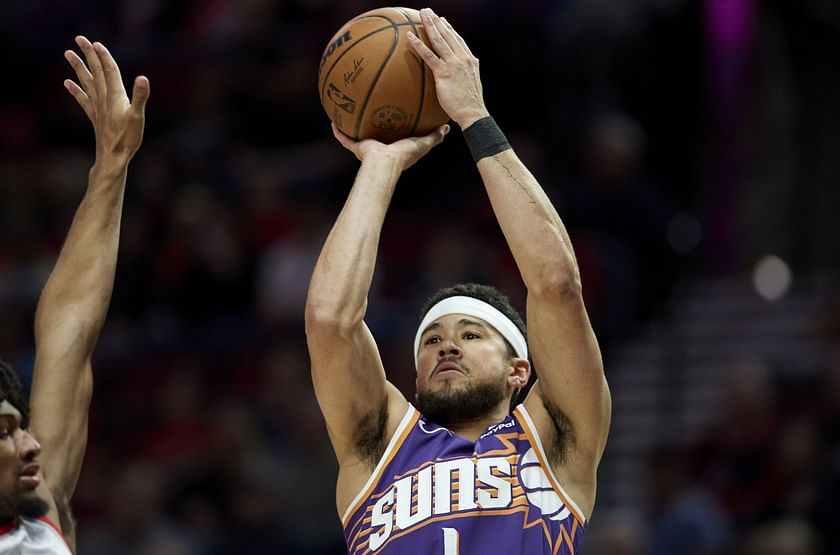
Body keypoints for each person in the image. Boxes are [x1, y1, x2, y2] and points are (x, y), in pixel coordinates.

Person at [305, 8, 610, 554]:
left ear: (521, 369)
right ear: (416, 378)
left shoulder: (555, 439)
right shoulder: (379, 447)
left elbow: (557, 284)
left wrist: (472, 115)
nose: (447, 345)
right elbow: (330, 321)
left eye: (471, 334)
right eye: (432, 339)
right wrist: (379, 162)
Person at [0, 36, 148, 553]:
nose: (27, 443)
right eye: (4, 432)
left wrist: (111, 167)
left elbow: (71, 325)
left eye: (19, 427)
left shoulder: (37, 507)